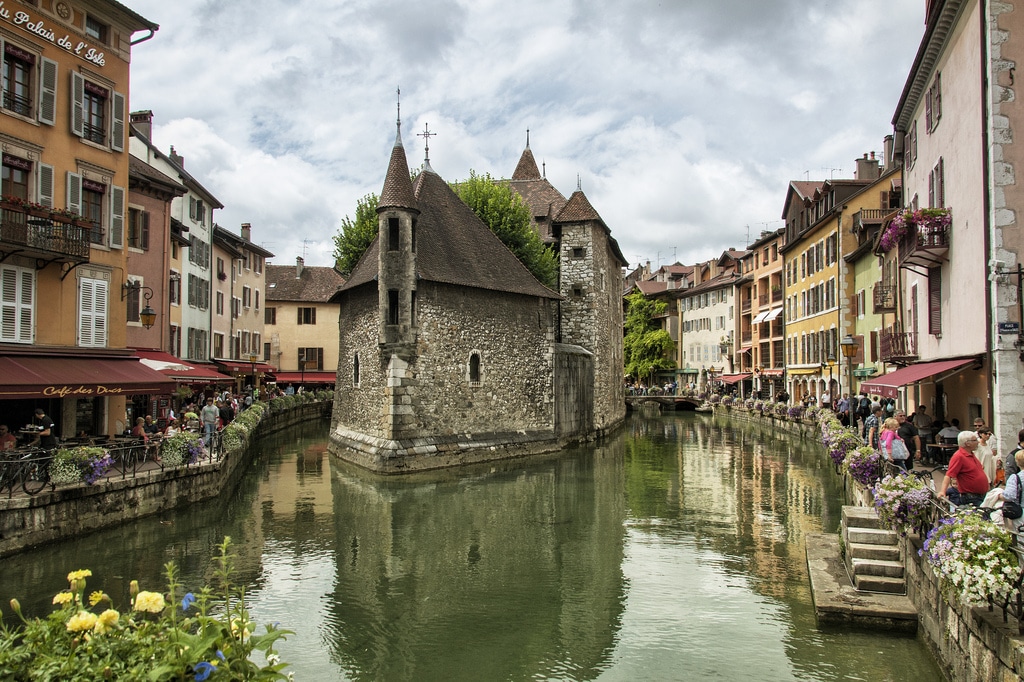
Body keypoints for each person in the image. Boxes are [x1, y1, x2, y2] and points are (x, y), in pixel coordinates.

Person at [937, 431, 989, 507]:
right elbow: (949, 475)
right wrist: (943, 491)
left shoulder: (970, 453)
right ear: (967, 443)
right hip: (972, 497)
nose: (977, 442)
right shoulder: (959, 456)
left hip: (980, 495)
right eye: (974, 440)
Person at [1001, 449, 1024, 532]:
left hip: (1021, 513)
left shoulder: (1015, 478)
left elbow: (1009, 496)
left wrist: (999, 495)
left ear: (1017, 462)